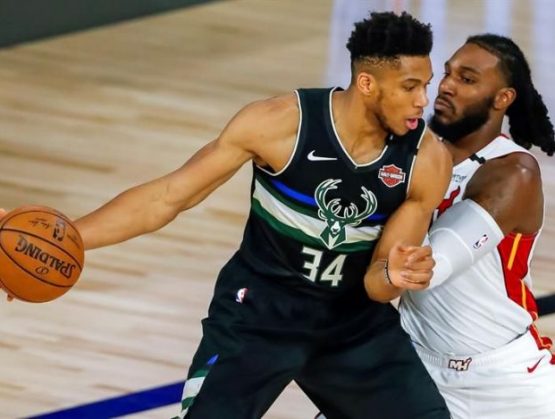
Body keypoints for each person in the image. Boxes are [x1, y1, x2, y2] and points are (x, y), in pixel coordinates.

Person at [0, 11, 452, 419]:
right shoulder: (278, 124)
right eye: (410, 87)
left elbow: (377, 283)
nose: (423, 101)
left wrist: (394, 273)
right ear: (367, 83)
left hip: (351, 326)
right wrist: (65, 238)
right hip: (257, 315)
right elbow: (167, 198)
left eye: (426, 85)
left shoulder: (426, 160)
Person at [398, 34, 555, 419]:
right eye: (447, 74)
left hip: (505, 379)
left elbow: (427, 268)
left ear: (503, 98)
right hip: (414, 363)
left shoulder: (514, 172)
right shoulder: (409, 151)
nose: (446, 86)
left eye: (467, 79)